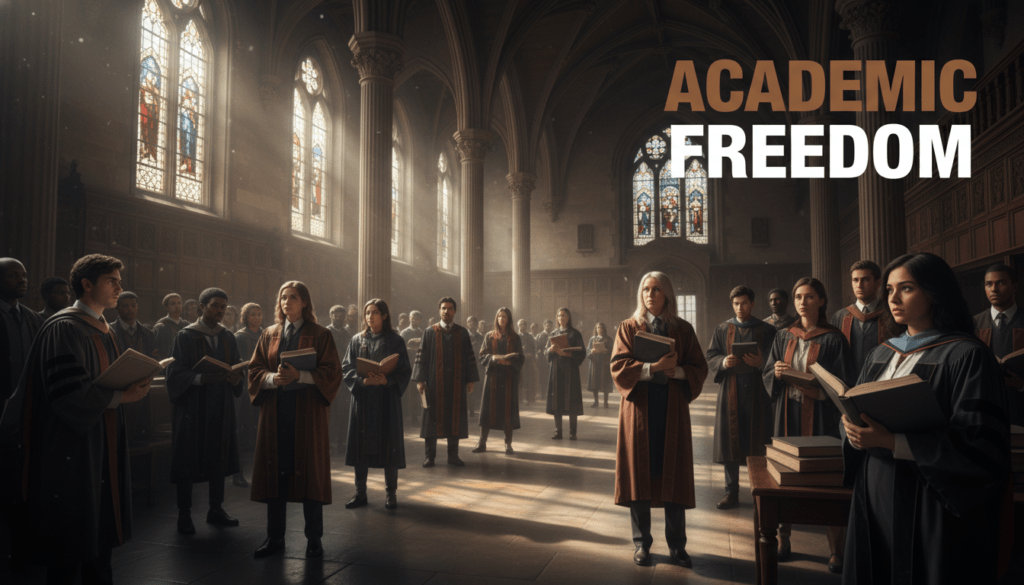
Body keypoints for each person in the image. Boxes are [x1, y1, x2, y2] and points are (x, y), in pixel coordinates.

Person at [841, 252, 1010, 585]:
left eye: (906, 288)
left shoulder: (966, 355)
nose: (893, 299)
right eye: (889, 290)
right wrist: (850, 426)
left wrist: (892, 442)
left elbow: (980, 444)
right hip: (875, 490)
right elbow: (856, 405)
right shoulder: (881, 353)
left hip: (931, 500)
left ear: (934, 292)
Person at [16, 254, 151, 584]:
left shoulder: (102, 327)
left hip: (99, 438)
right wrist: (122, 396)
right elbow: (67, 392)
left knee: (98, 535)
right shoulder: (65, 327)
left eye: (120, 281)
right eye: (112, 281)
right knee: (70, 538)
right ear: (87, 284)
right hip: (71, 443)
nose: (119, 287)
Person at [611, 271, 708, 568]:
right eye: (645, 289)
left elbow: (699, 367)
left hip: (671, 409)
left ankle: (677, 546)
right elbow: (618, 367)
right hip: (639, 410)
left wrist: (675, 371)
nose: (650, 295)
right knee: (639, 475)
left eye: (656, 289)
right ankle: (641, 543)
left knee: (673, 474)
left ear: (667, 294)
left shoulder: (683, 329)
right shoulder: (628, 327)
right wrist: (653, 367)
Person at [762, 277, 853, 573]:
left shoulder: (834, 339)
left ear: (821, 301)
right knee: (784, 473)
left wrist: (821, 393)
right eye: (799, 296)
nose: (803, 301)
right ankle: (783, 539)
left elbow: (844, 383)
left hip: (822, 416)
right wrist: (776, 372)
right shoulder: (784, 336)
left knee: (827, 479)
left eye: (810, 296)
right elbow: (768, 371)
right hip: (787, 412)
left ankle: (835, 550)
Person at [247, 281, 342, 559]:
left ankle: (314, 539)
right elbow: (254, 369)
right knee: (275, 474)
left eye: (293, 297)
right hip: (276, 413)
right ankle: (275, 537)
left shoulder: (320, 334)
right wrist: (271, 379)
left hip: (307, 414)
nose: (286, 302)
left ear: (305, 302)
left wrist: (300, 376)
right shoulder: (269, 333)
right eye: (283, 297)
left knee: (310, 475)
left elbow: (332, 372)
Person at [165, 287, 244, 535]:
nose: (220, 311)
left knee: (218, 457)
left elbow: (237, 366)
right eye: (215, 306)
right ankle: (184, 515)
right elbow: (174, 373)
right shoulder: (185, 336)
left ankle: (216, 509)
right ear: (202, 307)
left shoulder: (227, 336)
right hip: (192, 406)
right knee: (188, 458)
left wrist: (236, 378)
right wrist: (201, 378)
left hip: (220, 405)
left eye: (223, 307)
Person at [705, 286, 776, 510]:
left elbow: (777, 357)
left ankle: (761, 492)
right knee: (731, 443)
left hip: (758, 393)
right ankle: (731, 492)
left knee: (759, 441)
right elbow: (711, 355)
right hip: (731, 391)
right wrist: (723, 362)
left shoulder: (767, 329)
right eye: (736, 304)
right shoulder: (722, 329)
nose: (740, 308)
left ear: (752, 304)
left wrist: (762, 362)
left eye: (744, 303)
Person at [0, 258, 46, 581]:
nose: (22, 279)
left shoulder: (31, 318)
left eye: (24, 275)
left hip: (25, 415)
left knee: (22, 485)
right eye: (13, 275)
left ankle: (21, 551)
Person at [341, 299, 411, 510]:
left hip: (386, 400)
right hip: (363, 400)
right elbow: (347, 368)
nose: (369, 317)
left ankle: (391, 493)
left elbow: (404, 370)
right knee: (360, 448)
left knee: (389, 446)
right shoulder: (357, 340)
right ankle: (360, 493)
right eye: (367, 313)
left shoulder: (395, 340)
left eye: (374, 313)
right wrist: (362, 381)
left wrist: (386, 380)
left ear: (384, 315)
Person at [412, 297, 479, 467]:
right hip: (433, 384)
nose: (446, 311)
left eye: (450, 308)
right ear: (439, 310)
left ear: (455, 311)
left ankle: (453, 456)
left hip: (456, 384)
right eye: (443, 308)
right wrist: (420, 380)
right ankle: (430, 457)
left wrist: (470, 380)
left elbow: (469, 358)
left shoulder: (462, 333)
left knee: (454, 419)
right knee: (431, 420)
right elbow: (421, 357)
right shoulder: (429, 332)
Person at [973, 263, 1024, 426]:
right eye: (989, 284)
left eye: (1001, 283)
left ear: (1014, 287)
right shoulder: (974, 323)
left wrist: (1021, 384)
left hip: (1020, 408)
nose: (993, 289)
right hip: (986, 408)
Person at [473, 308, 525, 454]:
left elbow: (520, 357)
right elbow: (482, 356)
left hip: (508, 378)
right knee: (488, 410)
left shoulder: (515, 337)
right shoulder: (489, 336)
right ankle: (482, 442)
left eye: (505, 317)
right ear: (496, 318)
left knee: (508, 411)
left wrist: (509, 363)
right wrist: (493, 358)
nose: (502, 319)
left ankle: (508, 444)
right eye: (499, 316)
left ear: (509, 319)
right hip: (493, 377)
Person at [831, 260, 885, 376]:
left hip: (881, 381)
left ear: (878, 283)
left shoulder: (890, 315)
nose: (859, 285)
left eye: (866, 280)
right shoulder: (840, 316)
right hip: (847, 382)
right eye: (855, 280)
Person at [233, 302, 263, 488]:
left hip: (264, 386)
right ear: (245, 317)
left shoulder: (266, 334)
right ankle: (239, 474)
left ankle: (262, 473)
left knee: (261, 430)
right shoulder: (239, 336)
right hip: (245, 389)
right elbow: (238, 363)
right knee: (243, 432)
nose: (257, 318)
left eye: (259, 314)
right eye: (253, 314)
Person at [545, 308, 586, 439]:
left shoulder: (575, 334)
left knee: (571, 401)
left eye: (563, 315)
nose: (561, 318)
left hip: (570, 371)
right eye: (559, 316)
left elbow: (582, 352)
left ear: (568, 317)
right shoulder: (553, 333)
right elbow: (546, 353)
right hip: (556, 371)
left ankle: (573, 432)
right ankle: (558, 431)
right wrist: (550, 350)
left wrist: (568, 354)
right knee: (557, 401)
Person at [326, 305, 353, 455]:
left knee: (343, 411)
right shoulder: (325, 332)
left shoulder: (348, 333)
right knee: (330, 411)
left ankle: (342, 442)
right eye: (336, 316)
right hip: (329, 377)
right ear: (331, 316)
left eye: (341, 316)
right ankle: (328, 442)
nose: (338, 319)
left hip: (344, 378)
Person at [111, 291, 157, 359]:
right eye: (125, 306)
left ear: (137, 306)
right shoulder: (109, 331)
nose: (130, 309)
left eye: (133, 305)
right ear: (118, 308)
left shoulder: (147, 332)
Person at [400, 310, 424, 425]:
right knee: (406, 391)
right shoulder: (404, 333)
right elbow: (400, 349)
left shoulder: (422, 333)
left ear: (420, 320)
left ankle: (415, 417)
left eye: (417, 319)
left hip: (418, 365)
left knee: (416, 391)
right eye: (412, 318)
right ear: (409, 319)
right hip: (407, 365)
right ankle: (405, 417)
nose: (414, 320)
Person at [586, 322, 613, 408]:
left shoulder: (608, 339)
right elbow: (588, 350)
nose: (599, 329)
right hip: (595, 363)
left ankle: (605, 402)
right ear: (596, 329)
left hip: (604, 363)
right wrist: (591, 351)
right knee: (594, 382)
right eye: (598, 328)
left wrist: (606, 351)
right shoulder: (592, 339)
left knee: (605, 382)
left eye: (601, 328)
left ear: (604, 329)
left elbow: (612, 350)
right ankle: (596, 401)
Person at [153, 293, 186, 359]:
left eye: (179, 303)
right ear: (167, 307)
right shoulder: (160, 327)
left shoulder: (187, 325)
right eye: (173, 304)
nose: (177, 306)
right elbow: (157, 352)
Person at [465, 316, 483, 417]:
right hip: (466, 364)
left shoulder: (480, 337)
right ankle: (468, 408)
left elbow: (483, 350)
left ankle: (474, 409)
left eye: (474, 322)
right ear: (467, 324)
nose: (472, 324)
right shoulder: (464, 335)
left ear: (476, 325)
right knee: (466, 387)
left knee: (476, 386)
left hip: (477, 364)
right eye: (469, 322)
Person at [516, 319, 537, 405]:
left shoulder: (529, 336)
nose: (522, 326)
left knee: (528, 379)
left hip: (528, 361)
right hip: (518, 361)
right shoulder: (515, 336)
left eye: (524, 324)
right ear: (518, 326)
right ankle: (519, 399)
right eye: (521, 324)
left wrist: (530, 354)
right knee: (519, 380)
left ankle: (529, 398)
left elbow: (534, 348)